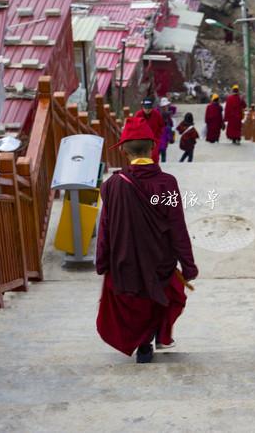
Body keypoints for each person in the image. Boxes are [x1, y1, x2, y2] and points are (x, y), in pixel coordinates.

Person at [96, 118, 198, 364]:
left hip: (125, 260)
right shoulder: (167, 184)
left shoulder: (111, 186)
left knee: (136, 300)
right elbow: (177, 227)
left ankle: (143, 343)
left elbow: (106, 228)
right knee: (158, 295)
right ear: (153, 146)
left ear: (123, 149)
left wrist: (102, 260)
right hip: (160, 260)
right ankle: (151, 338)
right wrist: (188, 264)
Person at [135, 97, 164, 163]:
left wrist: (158, 135)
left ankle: (154, 170)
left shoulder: (156, 114)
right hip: (142, 140)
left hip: (154, 139)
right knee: (143, 157)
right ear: (142, 107)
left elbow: (161, 125)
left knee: (154, 157)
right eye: (145, 108)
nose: (147, 110)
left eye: (149, 108)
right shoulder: (138, 114)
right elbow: (135, 126)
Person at [158, 98, 175, 162]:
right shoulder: (162, 112)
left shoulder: (165, 111)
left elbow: (174, 109)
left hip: (161, 139)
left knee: (160, 153)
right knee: (163, 154)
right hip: (164, 136)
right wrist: (171, 139)